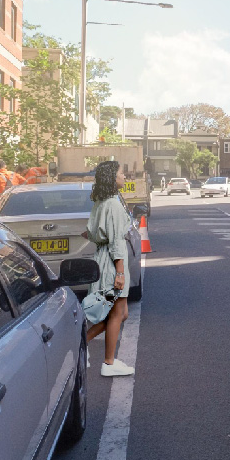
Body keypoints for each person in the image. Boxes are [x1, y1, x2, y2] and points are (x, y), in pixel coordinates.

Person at [82, 160, 135, 378]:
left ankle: (80, 345)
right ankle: (109, 363)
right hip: (112, 263)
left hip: (106, 259)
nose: (125, 177)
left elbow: (91, 232)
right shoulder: (112, 204)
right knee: (116, 313)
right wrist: (120, 272)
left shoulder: (103, 201)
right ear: (113, 177)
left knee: (119, 314)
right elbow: (115, 242)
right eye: (122, 173)